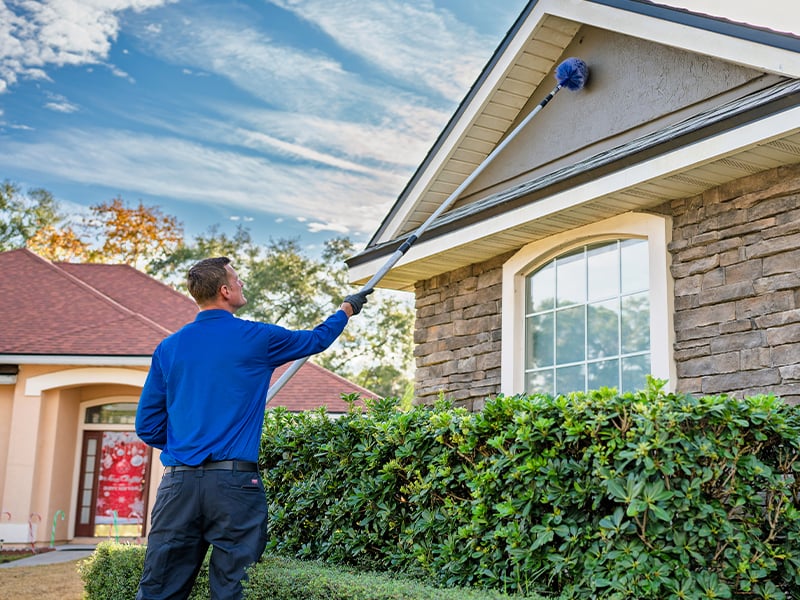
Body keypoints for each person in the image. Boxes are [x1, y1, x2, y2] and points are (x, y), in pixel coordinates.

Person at [135, 256, 371, 599]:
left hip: (178, 485)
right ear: (224, 290)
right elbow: (316, 340)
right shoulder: (255, 336)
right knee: (233, 590)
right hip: (233, 486)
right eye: (237, 278)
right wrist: (347, 309)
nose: (242, 283)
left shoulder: (168, 348)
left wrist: (184, 444)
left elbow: (147, 425)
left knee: (158, 590)